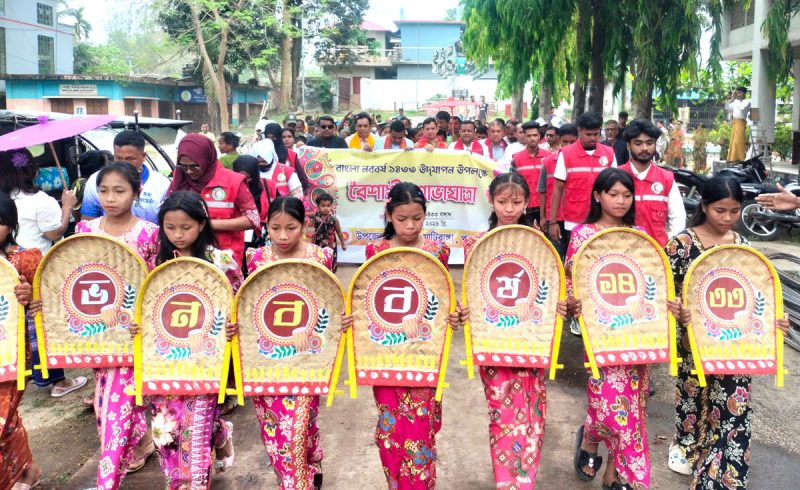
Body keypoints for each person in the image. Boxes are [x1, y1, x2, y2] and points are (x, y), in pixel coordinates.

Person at [664, 176, 789, 486]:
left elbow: (757, 293)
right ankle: (687, 445)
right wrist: (676, 307)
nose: (728, 218)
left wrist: (774, 321)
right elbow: (663, 291)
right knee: (693, 395)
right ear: (704, 206)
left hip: (737, 341)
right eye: (720, 210)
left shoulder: (743, 246)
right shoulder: (681, 245)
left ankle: (724, 471)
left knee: (734, 405)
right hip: (692, 340)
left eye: (734, 211)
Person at [566, 168, 684, 490]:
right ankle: (590, 437)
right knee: (606, 402)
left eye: (627, 195)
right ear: (597, 196)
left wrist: (666, 305)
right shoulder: (582, 235)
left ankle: (616, 473)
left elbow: (652, 279)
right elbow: (571, 279)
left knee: (632, 408)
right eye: (613, 194)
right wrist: (573, 306)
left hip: (637, 335)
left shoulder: (639, 235)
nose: (621, 200)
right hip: (600, 335)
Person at [461, 173, 569, 489]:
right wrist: (464, 312)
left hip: (531, 343)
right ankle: (507, 481)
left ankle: (523, 480)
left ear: (527, 202)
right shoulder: (476, 245)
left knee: (533, 416)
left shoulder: (541, 245)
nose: (509, 209)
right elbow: (472, 293)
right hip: (493, 345)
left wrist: (562, 306)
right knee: (502, 414)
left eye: (517, 202)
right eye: (502, 201)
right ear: (491, 200)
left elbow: (553, 287)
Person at [127, 191, 238, 488]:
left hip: (206, 360)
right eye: (170, 227)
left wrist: (231, 327)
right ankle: (218, 436)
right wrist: (137, 326)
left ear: (201, 225)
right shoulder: (155, 263)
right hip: (164, 361)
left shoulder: (220, 261)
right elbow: (143, 306)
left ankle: (192, 483)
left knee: (196, 430)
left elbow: (238, 302)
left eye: (186, 227)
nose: (178, 234)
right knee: (165, 430)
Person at [365, 182, 464, 489]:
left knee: (420, 429)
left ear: (425, 215)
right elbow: (368, 299)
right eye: (402, 219)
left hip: (425, 353)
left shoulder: (437, 251)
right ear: (389, 216)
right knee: (389, 431)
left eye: (417, 218)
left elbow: (442, 295)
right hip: (386, 355)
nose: (410, 226)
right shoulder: (376, 251)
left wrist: (454, 313)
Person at [245, 196, 346, 490]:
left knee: (296, 427)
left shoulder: (320, 257)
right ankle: (309, 462)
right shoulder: (257, 259)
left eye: (291, 228)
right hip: (266, 358)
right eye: (275, 228)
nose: (283, 236)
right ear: (266, 225)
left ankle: (296, 482)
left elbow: (328, 300)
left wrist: (337, 322)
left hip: (306, 357)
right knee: (275, 429)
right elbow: (249, 302)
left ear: (304, 225)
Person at [75, 162, 159, 489]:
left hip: (133, 334)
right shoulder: (85, 230)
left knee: (114, 405)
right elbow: (73, 276)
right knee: (107, 402)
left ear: (136, 193)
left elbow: (155, 285)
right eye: (104, 191)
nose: (110, 198)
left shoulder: (149, 234)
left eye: (119, 191)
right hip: (97, 334)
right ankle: (141, 441)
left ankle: (107, 478)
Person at [0, 149, 88, 399]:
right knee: (42, 324)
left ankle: (20, 371)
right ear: (34, 170)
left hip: (6, 267)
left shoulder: (4, 198)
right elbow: (54, 233)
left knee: (12, 322)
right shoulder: (41, 201)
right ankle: (56, 380)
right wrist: (67, 206)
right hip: (34, 266)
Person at [0, 191, 44, 490]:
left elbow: (46, 302)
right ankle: (25, 470)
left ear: (11, 224)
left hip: (11, 354)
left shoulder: (24, 259)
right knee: (7, 420)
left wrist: (30, 299)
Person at [168, 134, 259, 266]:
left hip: (224, 258)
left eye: (194, 166)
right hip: (186, 256)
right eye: (183, 166)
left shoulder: (233, 181)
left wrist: (206, 225)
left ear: (207, 160)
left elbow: (253, 219)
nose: (189, 171)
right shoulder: (180, 179)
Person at [547, 111, 616, 251]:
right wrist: (553, 222)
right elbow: (558, 189)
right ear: (579, 131)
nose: (593, 138)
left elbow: (616, 186)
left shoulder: (609, 153)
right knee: (574, 259)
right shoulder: (566, 154)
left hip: (603, 219)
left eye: (596, 134)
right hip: (574, 221)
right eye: (588, 134)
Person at [619, 119, 686, 246]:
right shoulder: (617, 176)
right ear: (628, 145)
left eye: (649, 143)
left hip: (657, 251)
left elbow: (678, 219)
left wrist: (666, 244)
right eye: (638, 143)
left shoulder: (666, 178)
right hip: (622, 251)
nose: (644, 148)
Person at [81, 130, 171, 224]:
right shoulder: (96, 180)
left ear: (144, 156)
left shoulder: (162, 184)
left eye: (130, 159)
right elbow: (88, 224)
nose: (123, 164)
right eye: (119, 158)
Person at [538, 123, 579, 258]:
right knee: (556, 256)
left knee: (574, 255)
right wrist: (543, 217)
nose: (568, 145)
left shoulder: (582, 163)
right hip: (555, 218)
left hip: (575, 218)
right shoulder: (547, 162)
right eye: (565, 141)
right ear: (559, 140)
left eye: (572, 142)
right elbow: (542, 190)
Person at [511, 121, 551, 225]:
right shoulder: (516, 158)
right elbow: (513, 184)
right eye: (529, 136)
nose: (532, 138)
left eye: (535, 135)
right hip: (525, 206)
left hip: (545, 206)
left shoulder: (549, 157)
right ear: (524, 136)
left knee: (546, 235)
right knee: (524, 234)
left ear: (539, 136)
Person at [233, 155, 271, 250]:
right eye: (240, 178)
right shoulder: (230, 189)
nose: (245, 183)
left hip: (262, 239)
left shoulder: (269, 186)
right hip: (236, 238)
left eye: (248, 178)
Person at [264, 123, 310, 193]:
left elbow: (302, 178)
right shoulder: (260, 155)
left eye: (273, 137)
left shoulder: (291, 154)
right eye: (268, 137)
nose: (270, 140)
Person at [311, 192, 346, 272]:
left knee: (330, 259)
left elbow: (339, 232)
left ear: (331, 206)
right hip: (318, 243)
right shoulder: (315, 216)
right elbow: (304, 216)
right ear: (318, 206)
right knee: (318, 258)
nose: (326, 208)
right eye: (323, 206)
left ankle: (330, 274)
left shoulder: (334, 219)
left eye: (328, 206)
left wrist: (343, 243)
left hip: (331, 244)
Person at [726, 86, 750, 162]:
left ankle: (740, 158)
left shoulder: (747, 102)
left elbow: (742, 108)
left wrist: (735, 99)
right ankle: (733, 158)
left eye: (739, 93)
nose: (738, 94)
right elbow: (728, 108)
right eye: (737, 93)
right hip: (735, 122)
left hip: (741, 122)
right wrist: (729, 100)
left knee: (739, 140)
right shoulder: (736, 102)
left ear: (744, 93)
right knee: (733, 141)